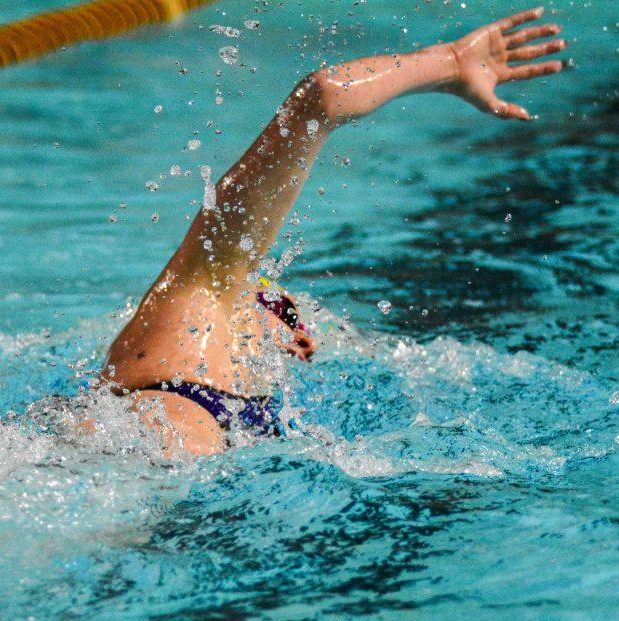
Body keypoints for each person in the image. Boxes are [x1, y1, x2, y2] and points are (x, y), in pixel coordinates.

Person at [102, 7, 569, 456]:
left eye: (292, 316)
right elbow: (323, 96)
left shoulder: (246, 395)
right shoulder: (197, 308)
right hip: (157, 439)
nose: (288, 321)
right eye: (274, 300)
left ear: (298, 348)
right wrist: (447, 62)